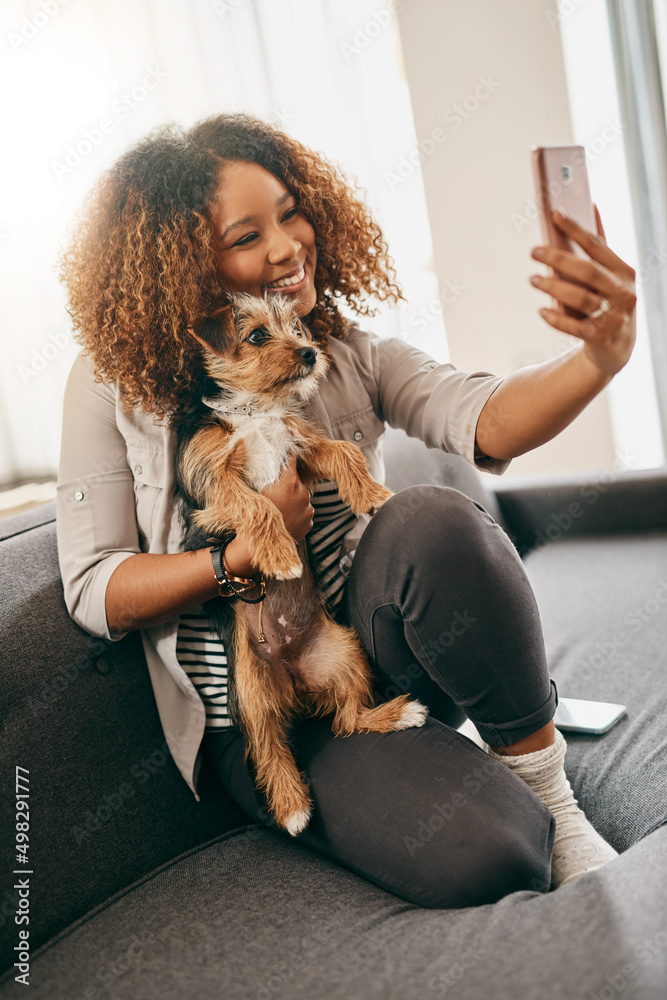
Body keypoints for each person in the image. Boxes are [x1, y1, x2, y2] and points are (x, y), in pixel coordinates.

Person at [56, 113, 637, 910]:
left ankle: (550, 790)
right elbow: (94, 589)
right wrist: (237, 558)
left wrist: (597, 358)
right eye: (247, 235)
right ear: (186, 268)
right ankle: (453, 760)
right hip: (257, 706)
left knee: (432, 518)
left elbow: (487, 416)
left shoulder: (344, 349)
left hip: (362, 653)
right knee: (490, 857)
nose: (289, 245)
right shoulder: (110, 383)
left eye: (292, 212)